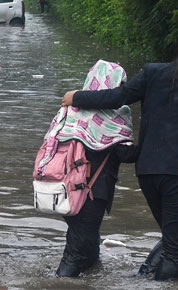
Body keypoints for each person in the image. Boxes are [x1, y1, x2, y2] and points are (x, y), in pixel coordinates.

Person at [61, 25, 178, 281]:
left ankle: (143, 277)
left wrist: (77, 97)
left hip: (151, 172)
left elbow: (117, 96)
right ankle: (153, 284)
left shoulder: (153, 73)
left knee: (175, 239)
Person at [48, 61, 137, 277]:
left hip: (63, 187)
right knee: (76, 250)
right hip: (91, 192)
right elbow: (125, 154)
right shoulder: (115, 116)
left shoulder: (70, 110)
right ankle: (61, 283)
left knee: (87, 242)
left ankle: (93, 278)